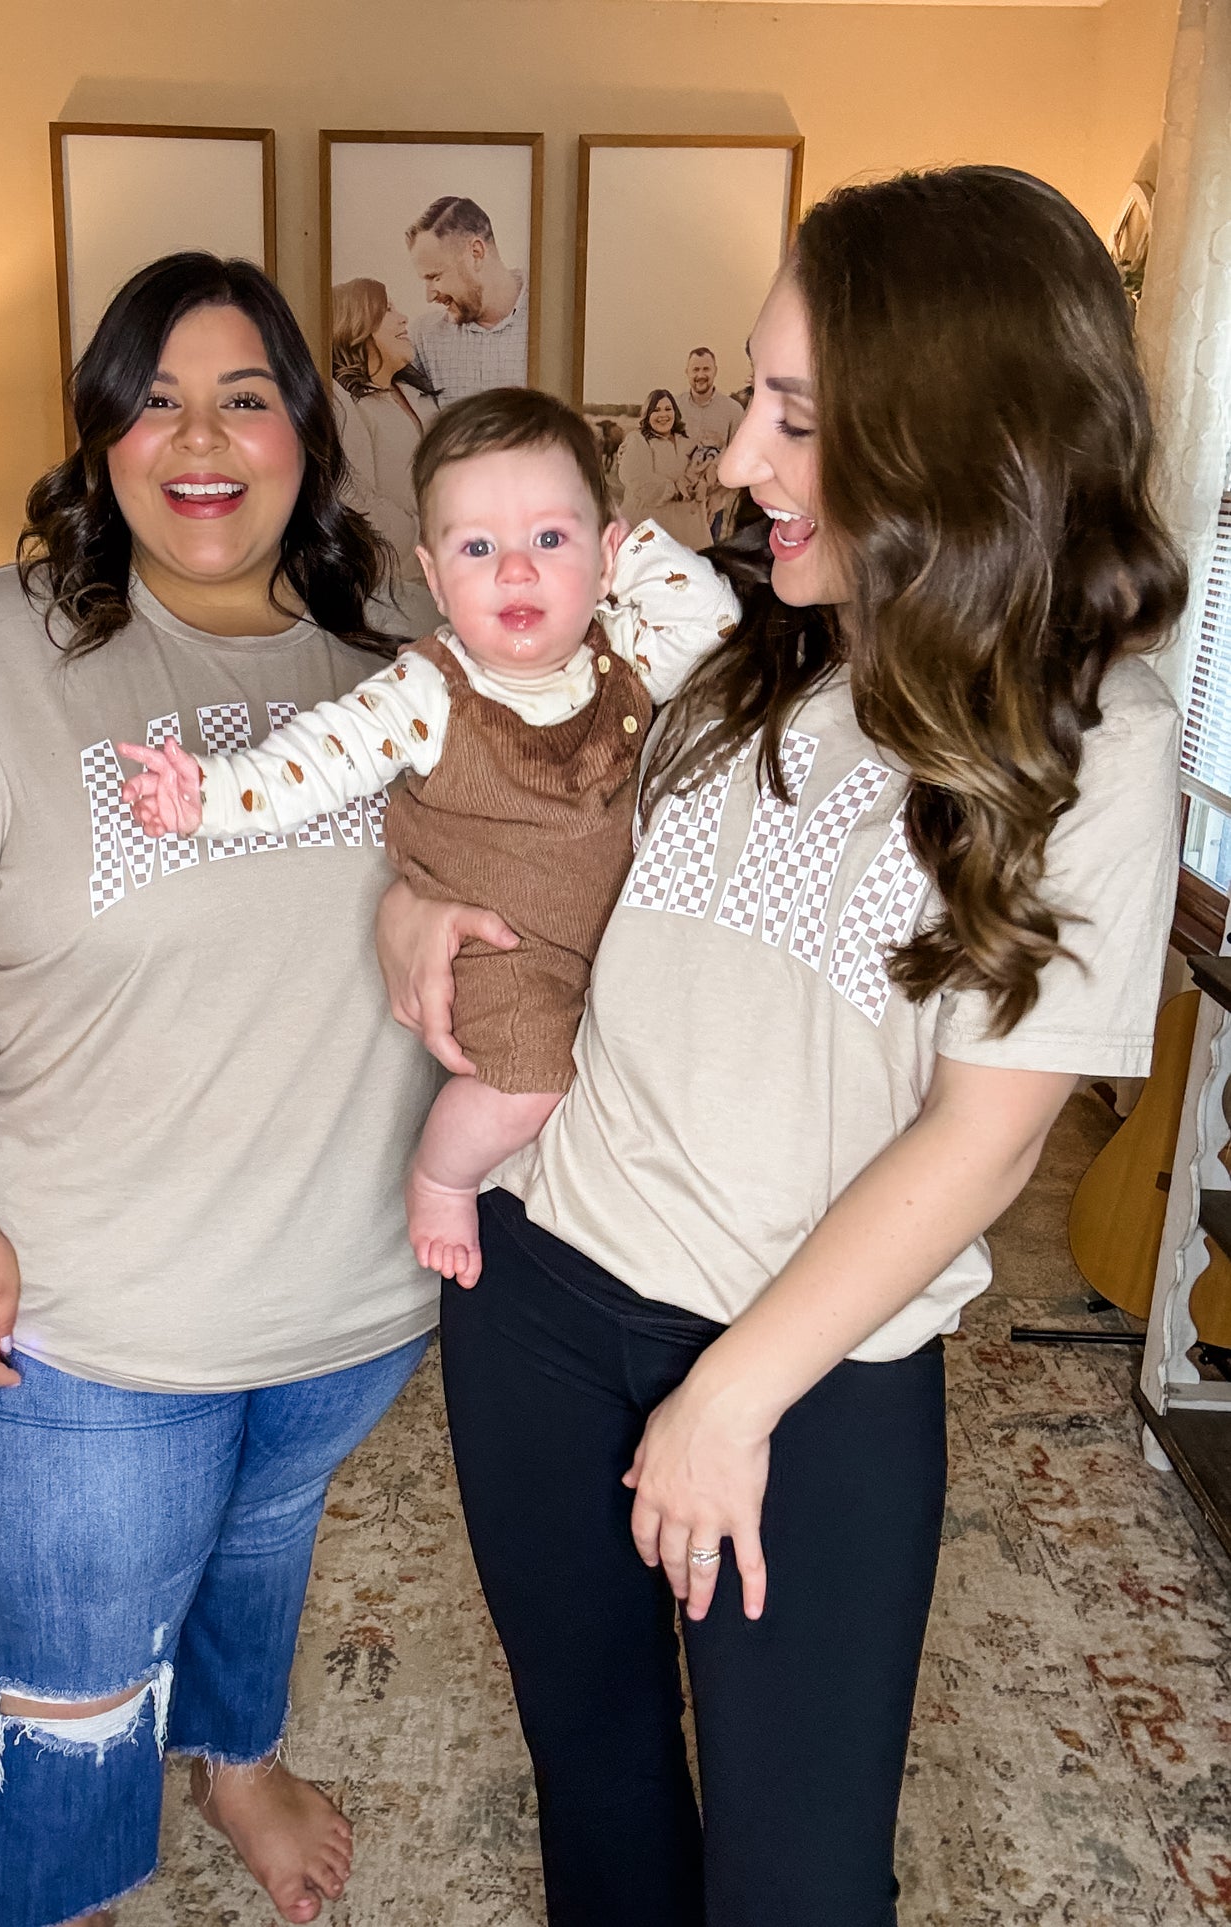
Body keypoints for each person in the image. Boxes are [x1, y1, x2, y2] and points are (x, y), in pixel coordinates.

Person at [375, 167, 1186, 1924]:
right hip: (536, 1282)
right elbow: (510, 820)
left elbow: (980, 1142)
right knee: (592, 1778)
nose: (738, 458)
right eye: (758, 400)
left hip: (809, 1371)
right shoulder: (732, 653)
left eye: (798, 418)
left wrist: (727, 1398)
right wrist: (410, 910)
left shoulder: (1090, 736)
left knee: (797, 1876)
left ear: (963, 436)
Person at [0, 252, 448, 1927]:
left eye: (245, 395)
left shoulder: (392, 654)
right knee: (74, 1698)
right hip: (87, 1326)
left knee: (259, 1544)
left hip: (349, 1301)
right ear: (99, 439)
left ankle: (236, 1755)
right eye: (153, 398)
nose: (201, 436)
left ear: (305, 431)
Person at [119, 388, 740, 1288]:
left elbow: (712, 619)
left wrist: (626, 545)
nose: (516, 572)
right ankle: (440, 1175)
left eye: (550, 540)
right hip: (503, 945)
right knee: (530, 1079)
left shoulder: (629, 652)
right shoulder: (425, 690)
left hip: (619, 934)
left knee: (658, 1057)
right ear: (436, 575)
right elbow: (314, 761)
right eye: (478, 548)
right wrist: (209, 793)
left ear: (605, 556)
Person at [330, 276, 440, 635]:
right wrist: (419, 537)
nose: (404, 318)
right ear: (358, 323)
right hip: (386, 596)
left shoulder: (418, 396)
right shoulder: (344, 404)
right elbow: (352, 494)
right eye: (388, 309)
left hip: (442, 585)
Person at [406, 195, 530, 403]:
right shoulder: (423, 339)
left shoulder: (550, 319)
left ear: (476, 252)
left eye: (435, 276)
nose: (429, 296)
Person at [616, 389, 713, 550]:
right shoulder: (638, 441)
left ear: (675, 412)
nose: (663, 415)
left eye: (668, 409)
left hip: (689, 535)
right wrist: (677, 489)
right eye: (656, 410)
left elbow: (704, 472)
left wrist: (703, 485)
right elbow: (642, 484)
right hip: (649, 533)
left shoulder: (689, 442)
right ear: (647, 414)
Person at [677, 347, 745, 540]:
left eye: (706, 369)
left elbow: (739, 461)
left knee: (707, 564)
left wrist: (719, 496)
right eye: (695, 370)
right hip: (675, 505)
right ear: (687, 372)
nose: (700, 375)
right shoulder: (673, 408)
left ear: (715, 370)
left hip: (711, 508)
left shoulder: (733, 411)